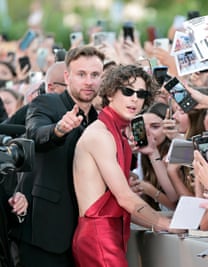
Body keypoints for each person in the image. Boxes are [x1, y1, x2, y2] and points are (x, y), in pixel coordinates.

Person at [11, 46, 105, 266]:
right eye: (81, 74)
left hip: (83, 232)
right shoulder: (46, 103)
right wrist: (59, 130)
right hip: (44, 231)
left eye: (95, 75)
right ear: (67, 76)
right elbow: (35, 135)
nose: (89, 82)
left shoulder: (98, 118)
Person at [72, 64, 172, 266]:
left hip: (109, 232)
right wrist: (164, 223)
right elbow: (125, 198)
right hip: (99, 235)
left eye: (141, 94)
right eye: (128, 91)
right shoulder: (100, 135)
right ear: (110, 93)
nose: (135, 98)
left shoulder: (118, 133)